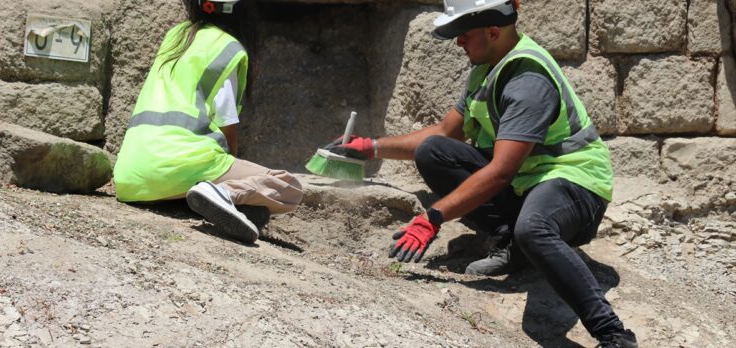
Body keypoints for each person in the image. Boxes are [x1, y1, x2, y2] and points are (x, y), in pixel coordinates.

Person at [326, 0, 637, 346]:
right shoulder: (488, 65)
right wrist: (371, 147)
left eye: (464, 33)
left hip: (574, 184)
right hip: (528, 183)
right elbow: (445, 133)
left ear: (492, 31)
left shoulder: (527, 80)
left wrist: (433, 218)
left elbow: (501, 172)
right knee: (433, 153)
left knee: (534, 228)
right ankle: (515, 245)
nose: (458, 41)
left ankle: (614, 334)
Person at [113, 0, 303, 244]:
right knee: (290, 188)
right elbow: (227, 120)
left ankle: (211, 199)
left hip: (130, 178)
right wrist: (230, 164)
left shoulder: (176, 36)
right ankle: (223, 193)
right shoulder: (229, 47)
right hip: (186, 164)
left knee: (249, 207)